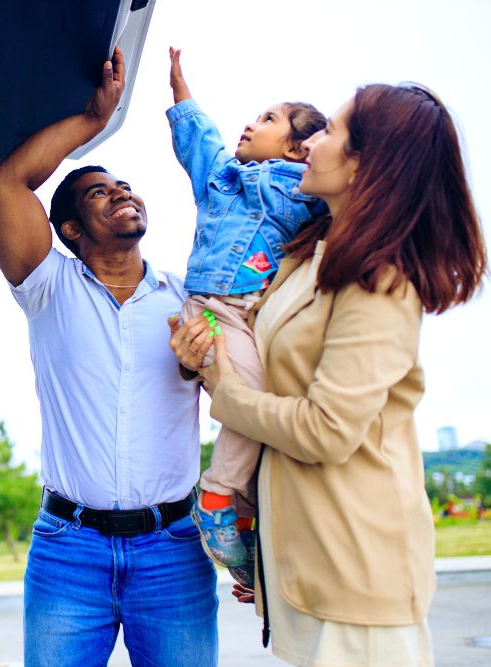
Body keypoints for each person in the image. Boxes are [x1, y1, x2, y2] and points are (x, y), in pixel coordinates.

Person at [170, 82, 487, 667]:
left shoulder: (382, 279)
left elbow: (325, 429)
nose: (313, 143)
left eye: (331, 131)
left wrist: (227, 396)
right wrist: (199, 362)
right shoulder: (307, 258)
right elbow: (264, 371)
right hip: (304, 564)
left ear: (365, 163)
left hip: (355, 574)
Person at [0, 48, 217, 667]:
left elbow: (241, 394)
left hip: (174, 549)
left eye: (123, 185)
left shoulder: (190, 298)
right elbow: (6, 181)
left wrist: (203, 368)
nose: (119, 191)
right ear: (68, 230)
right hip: (68, 551)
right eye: (96, 192)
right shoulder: (48, 286)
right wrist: (93, 120)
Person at [166, 47, 326, 577]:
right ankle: (216, 498)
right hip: (213, 309)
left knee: (268, 413)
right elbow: (201, 144)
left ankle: (247, 539)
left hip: (254, 317)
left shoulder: (309, 190)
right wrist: (181, 92)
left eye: (268, 118)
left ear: (301, 147)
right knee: (252, 401)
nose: (251, 124)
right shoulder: (224, 180)